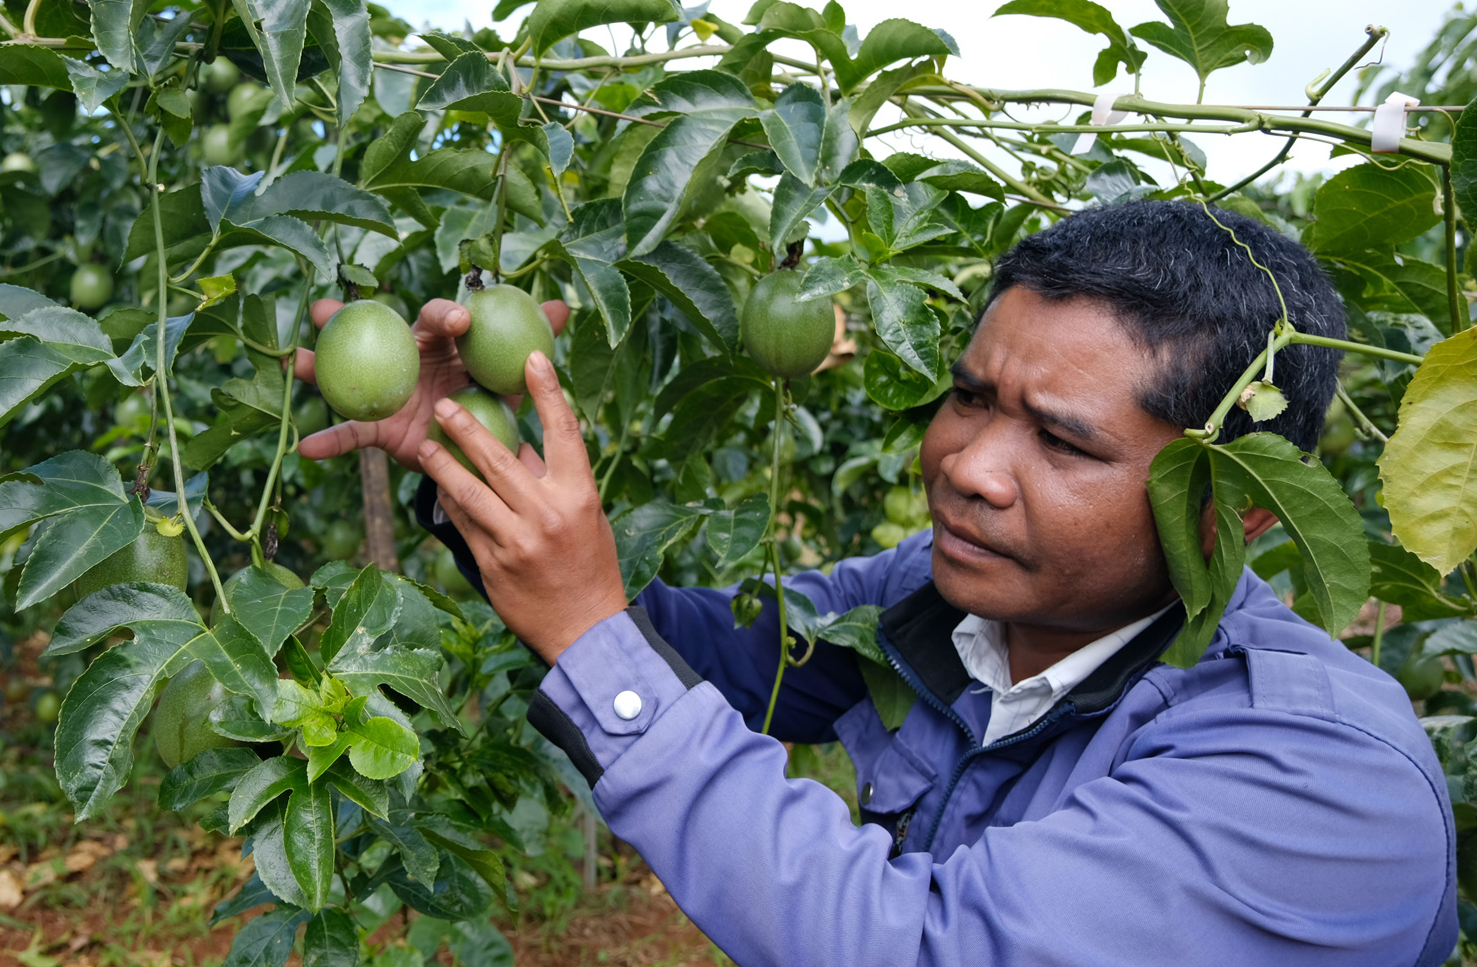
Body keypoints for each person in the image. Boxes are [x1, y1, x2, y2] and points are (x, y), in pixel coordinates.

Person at [294, 199, 1456, 966]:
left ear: (1235, 503)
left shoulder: (1325, 778)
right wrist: (464, 456)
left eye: (1064, 443)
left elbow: (928, 949)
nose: (967, 468)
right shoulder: (937, 601)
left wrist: (589, 626)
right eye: (969, 398)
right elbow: (708, 660)